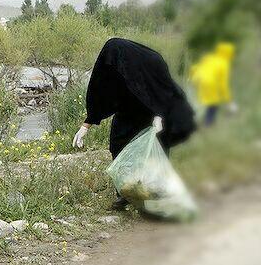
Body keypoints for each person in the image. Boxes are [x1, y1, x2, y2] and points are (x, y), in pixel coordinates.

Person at [73, 38, 195, 209]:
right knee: (117, 144)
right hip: (129, 108)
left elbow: (164, 91)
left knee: (155, 148)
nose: (111, 66)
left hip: (154, 109)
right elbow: (101, 91)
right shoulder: (114, 66)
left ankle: (155, 193)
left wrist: (160, 115)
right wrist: (87, 123)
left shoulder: (151, 61)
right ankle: (125, 193)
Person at [189, 41, 236, 126]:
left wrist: (193, 77)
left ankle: (194, 121)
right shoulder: (224, 63)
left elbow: (195, 67)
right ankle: (208, 124)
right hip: (210, 83)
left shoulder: (210, 57)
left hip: (199, 80)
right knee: (213, 103)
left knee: (202, 102)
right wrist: (228, 100)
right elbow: (223, 84)